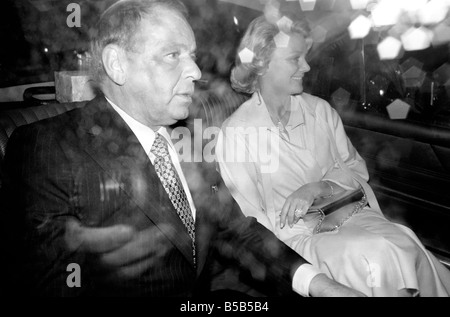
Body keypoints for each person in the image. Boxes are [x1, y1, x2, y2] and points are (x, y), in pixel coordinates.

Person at [0, 0, 364, 297]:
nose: (194, 70)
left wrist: (319, 284)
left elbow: (234, 228)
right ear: (117, 64)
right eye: (172, 55)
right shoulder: (46, 147)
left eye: (192, 54)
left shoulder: (191, 139)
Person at [216, 14, 450, 297]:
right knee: (375, 256)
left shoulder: (320, 111)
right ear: (263, 63)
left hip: (346, 214)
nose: (307, 65)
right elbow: (248, 223)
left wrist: (318, 188)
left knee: (403, 240)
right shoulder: (236, 133)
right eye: (295, 58)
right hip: (292, 238)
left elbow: (355, 169)